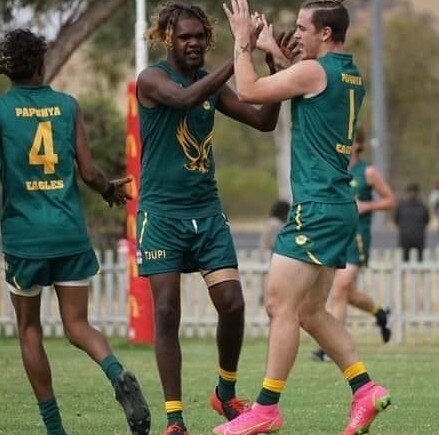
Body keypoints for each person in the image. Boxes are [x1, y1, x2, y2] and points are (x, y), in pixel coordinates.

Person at [216, 1, 392, 434]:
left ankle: (266, 408)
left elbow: (251, 91)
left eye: (302, 28)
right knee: (312, 311)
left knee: (280, 305)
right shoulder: (347, 73)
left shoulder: (315, 72)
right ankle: (365, 389)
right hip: (337, 206)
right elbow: (299, 83)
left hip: (315, 209)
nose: (296, 35)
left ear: (326, 33)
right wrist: (273, 52)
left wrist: (242, 43)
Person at [136, 3, 286, 434]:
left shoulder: (209, 83)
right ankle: (175, 418)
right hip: (162, 215)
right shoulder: (152, 80)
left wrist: (272, 72)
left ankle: (224, 392)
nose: (195, 44)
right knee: (166, 311)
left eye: (200, 37)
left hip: (206, 213)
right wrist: (241, 51)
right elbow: (184, 100)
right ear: (169, 39)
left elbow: (262, 122)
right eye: (186, 37)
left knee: (233, 304)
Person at [0, 29, 150, 435]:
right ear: (42, 62)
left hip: (24, 239)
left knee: (30, 330)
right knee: (78, 325)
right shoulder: (67, 106)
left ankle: (55, 429)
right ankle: (116, 372)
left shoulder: (2, 110)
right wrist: (109, 191)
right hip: (68, 231)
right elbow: (89, 172)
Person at [312, 127, 396, 362]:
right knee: (346, 293)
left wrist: (367, 206)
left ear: (358, 145)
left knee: (339, 289)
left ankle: (331, 349)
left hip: (358, 237)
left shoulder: (368, 172)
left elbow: (390, 200)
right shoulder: (335, 170)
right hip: (337, 235)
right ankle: (381, 314)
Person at [394, 182, 430, 261]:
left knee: (419, 261)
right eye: (411, 191)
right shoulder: (402, 206)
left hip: (418, 238)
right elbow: (396, 220)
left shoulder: (422, 207)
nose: (412, 194)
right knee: (404, 261)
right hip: (405, 238)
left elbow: (426, 220)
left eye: (414, 191)